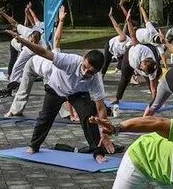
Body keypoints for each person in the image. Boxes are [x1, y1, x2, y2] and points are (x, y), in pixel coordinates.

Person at [8, 26, 109, 157]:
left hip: (76, 92)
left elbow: (101, 109)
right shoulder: (70, 60)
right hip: (56, 87)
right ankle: (34, 146)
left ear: (96, 72)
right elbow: (44, 53)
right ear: (83, 59)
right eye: (84, 67)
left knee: (89, 117)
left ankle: (98, 152)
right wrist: (24, 41)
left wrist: (105, 133)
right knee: (45, 118)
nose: (85, 72)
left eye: (90, 72)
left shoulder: (96, 80)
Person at [110, 16, 161, 112]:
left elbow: (153, 88)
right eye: (142, 68)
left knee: (151, 85)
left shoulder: (152, 70)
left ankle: (156, 101)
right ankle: (117, 98)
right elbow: (133, 35)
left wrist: (154, 105)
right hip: (129, 58)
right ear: (143, 61)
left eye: (143, 70)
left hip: (139, 64)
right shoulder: (140, 49)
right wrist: (129, 21)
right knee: (124, 78)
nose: (140, 70)